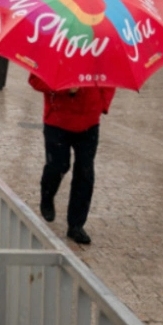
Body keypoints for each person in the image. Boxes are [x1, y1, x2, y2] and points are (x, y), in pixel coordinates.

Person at [29, 74, 115, 245]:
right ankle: (47, 195)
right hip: (57, 121)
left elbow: (111, 80)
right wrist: (64, 87)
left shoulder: (100, 53)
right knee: (58, 165)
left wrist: (101, 104)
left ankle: (76, 224)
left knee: (85, 172)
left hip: (90, 123)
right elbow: (35, 80)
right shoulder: (55, 48)